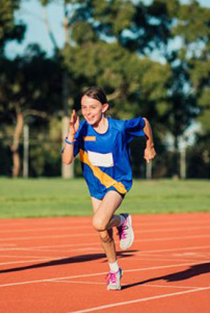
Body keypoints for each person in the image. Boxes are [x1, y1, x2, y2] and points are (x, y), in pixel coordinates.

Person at [62, 86, 156, 291]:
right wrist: (71, 134)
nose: (88, 112)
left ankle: (122, 220)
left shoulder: (119, 128)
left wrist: (149, 146)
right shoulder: (81, 131)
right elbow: (67, 160)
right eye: (84, 107)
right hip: (95, 187)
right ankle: (115, 271)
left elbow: (144, 122)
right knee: (103, 232)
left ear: (104, 107)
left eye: (93, 107)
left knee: (98, 222)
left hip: (118, 182)